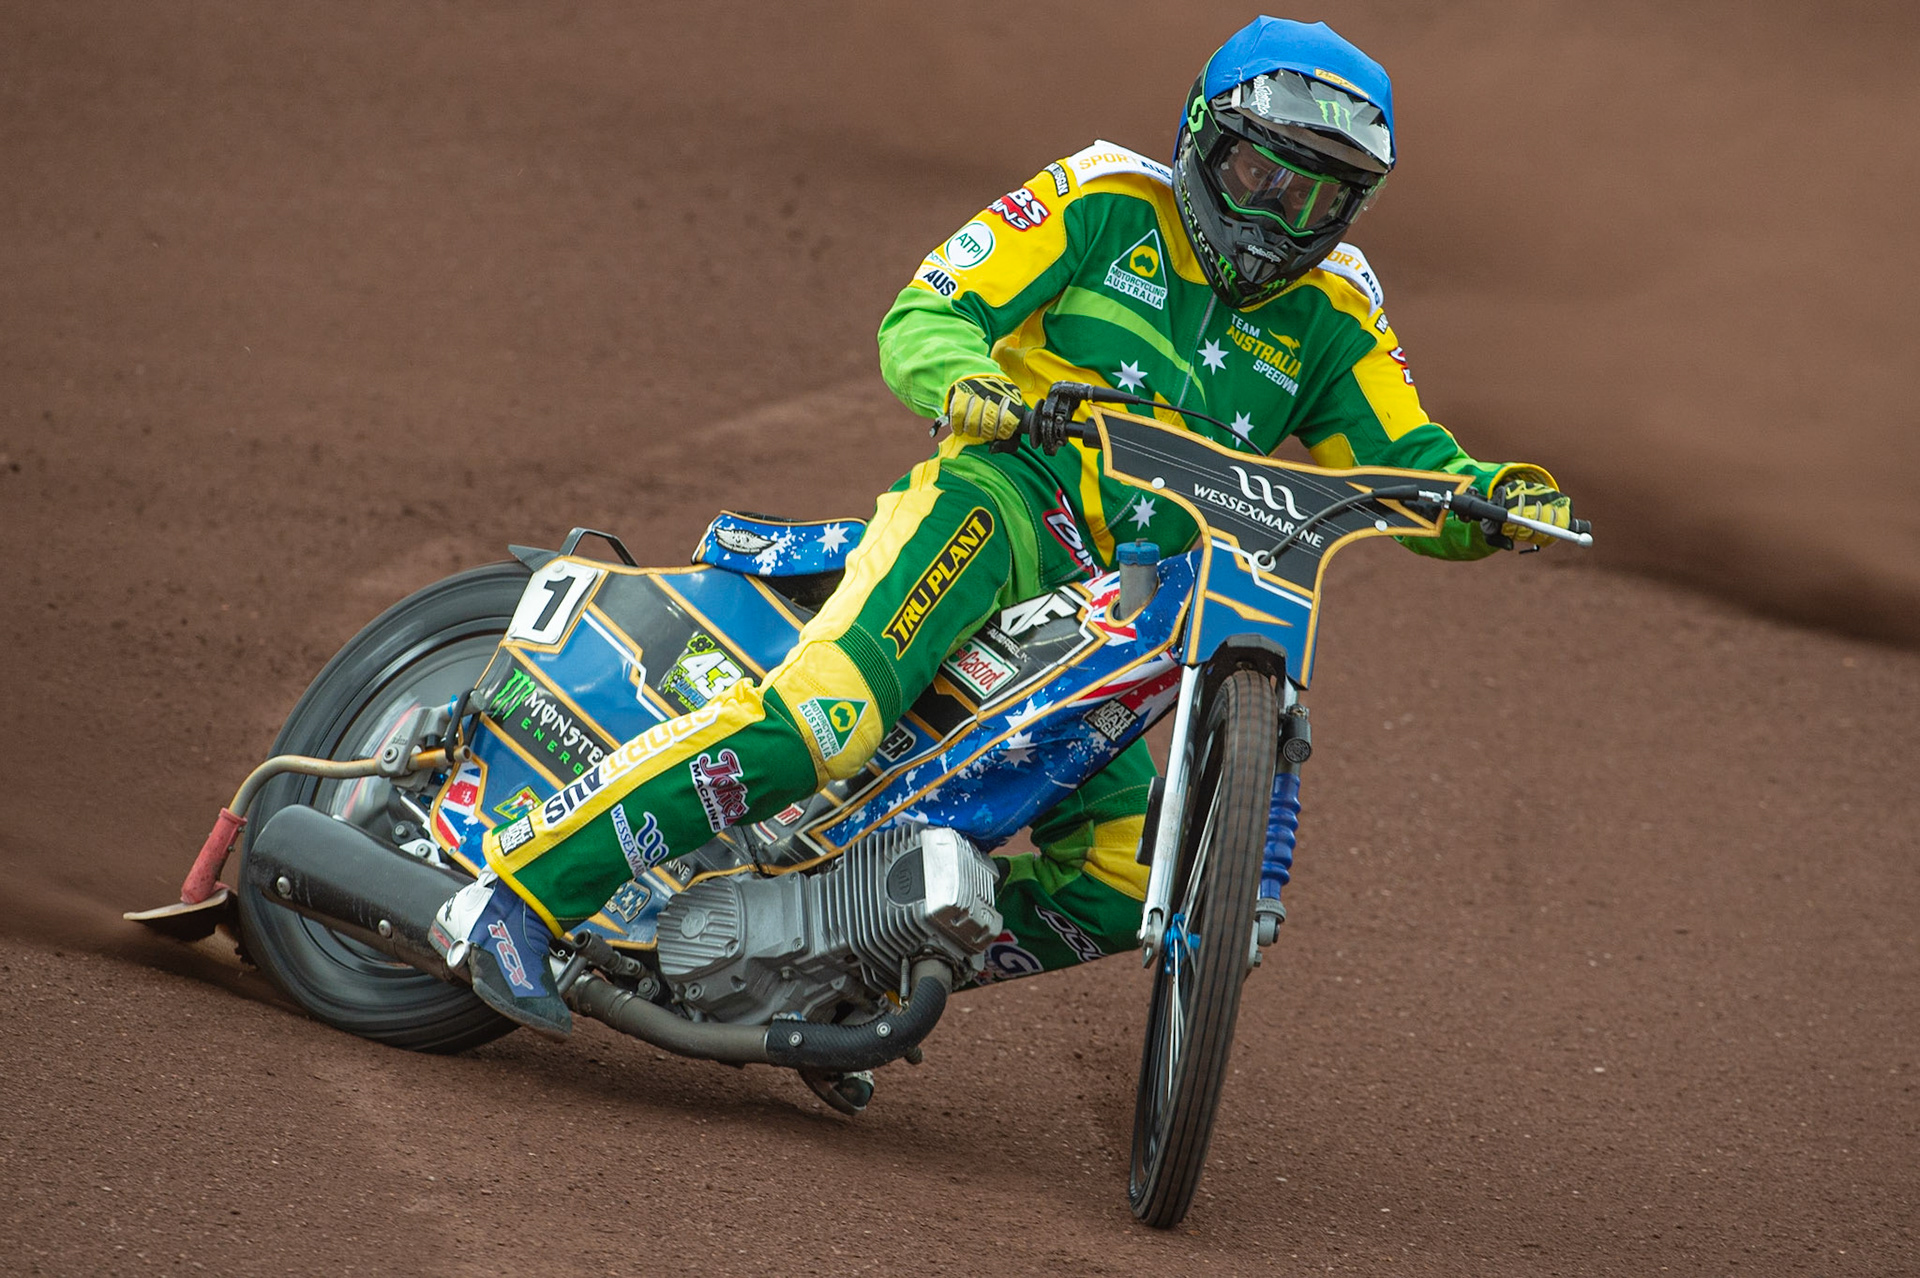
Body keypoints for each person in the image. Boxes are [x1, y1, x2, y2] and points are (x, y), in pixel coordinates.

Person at [431, 16, 1577, 1040]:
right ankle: (510, 893)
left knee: (1131, 882)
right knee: (827, 719)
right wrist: (968, 382)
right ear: (1199, 136)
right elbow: (928, 312)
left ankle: (841, 964)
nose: (1279, 217)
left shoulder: (1339, 309)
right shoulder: (1100, 195)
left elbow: (1412, 462)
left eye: (1316, 197)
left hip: (1135, 611)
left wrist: (1497, 500)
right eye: (1258, 175)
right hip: (999, 512)